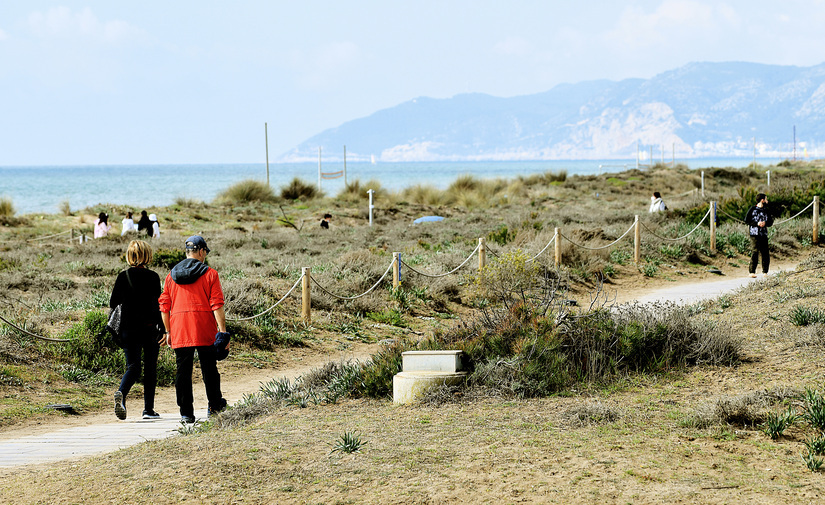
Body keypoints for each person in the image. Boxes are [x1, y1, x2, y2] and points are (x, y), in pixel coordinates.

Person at [158, 235, 228, 423]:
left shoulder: (171, 275)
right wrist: (223, 332)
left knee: (182, 372)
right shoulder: (211, 274)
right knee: (209, 369)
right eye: (205, 252)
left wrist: (168, 331)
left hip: (180, 327)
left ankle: (186, 413)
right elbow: (217, 305)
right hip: (204, 327)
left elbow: (164, 306)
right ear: (201, 251)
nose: (205, 255)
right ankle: (214, 406)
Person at [110, 240, 164, 420]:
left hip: (127, 329)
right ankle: (148, 410)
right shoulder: (153, 277)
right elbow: (159, 306)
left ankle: (121, 393)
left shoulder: (122, 276)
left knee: (132, 366)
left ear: (129, 256)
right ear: (147, 256)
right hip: (149, 329)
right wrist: (163, 329)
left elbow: (113, 303)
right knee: (150, 369)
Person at [745, 193, 774, 278]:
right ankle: (752, 271)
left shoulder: (766, 210)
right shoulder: (752, 209)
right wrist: (757, 223)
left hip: (763, 234)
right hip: (754, 234)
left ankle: (765, 272)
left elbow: (770, 222)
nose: (767, 201)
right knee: (755, 252)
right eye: (766, 199)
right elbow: (747, 220)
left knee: (765, 252)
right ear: (762, 200)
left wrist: (765, 223)